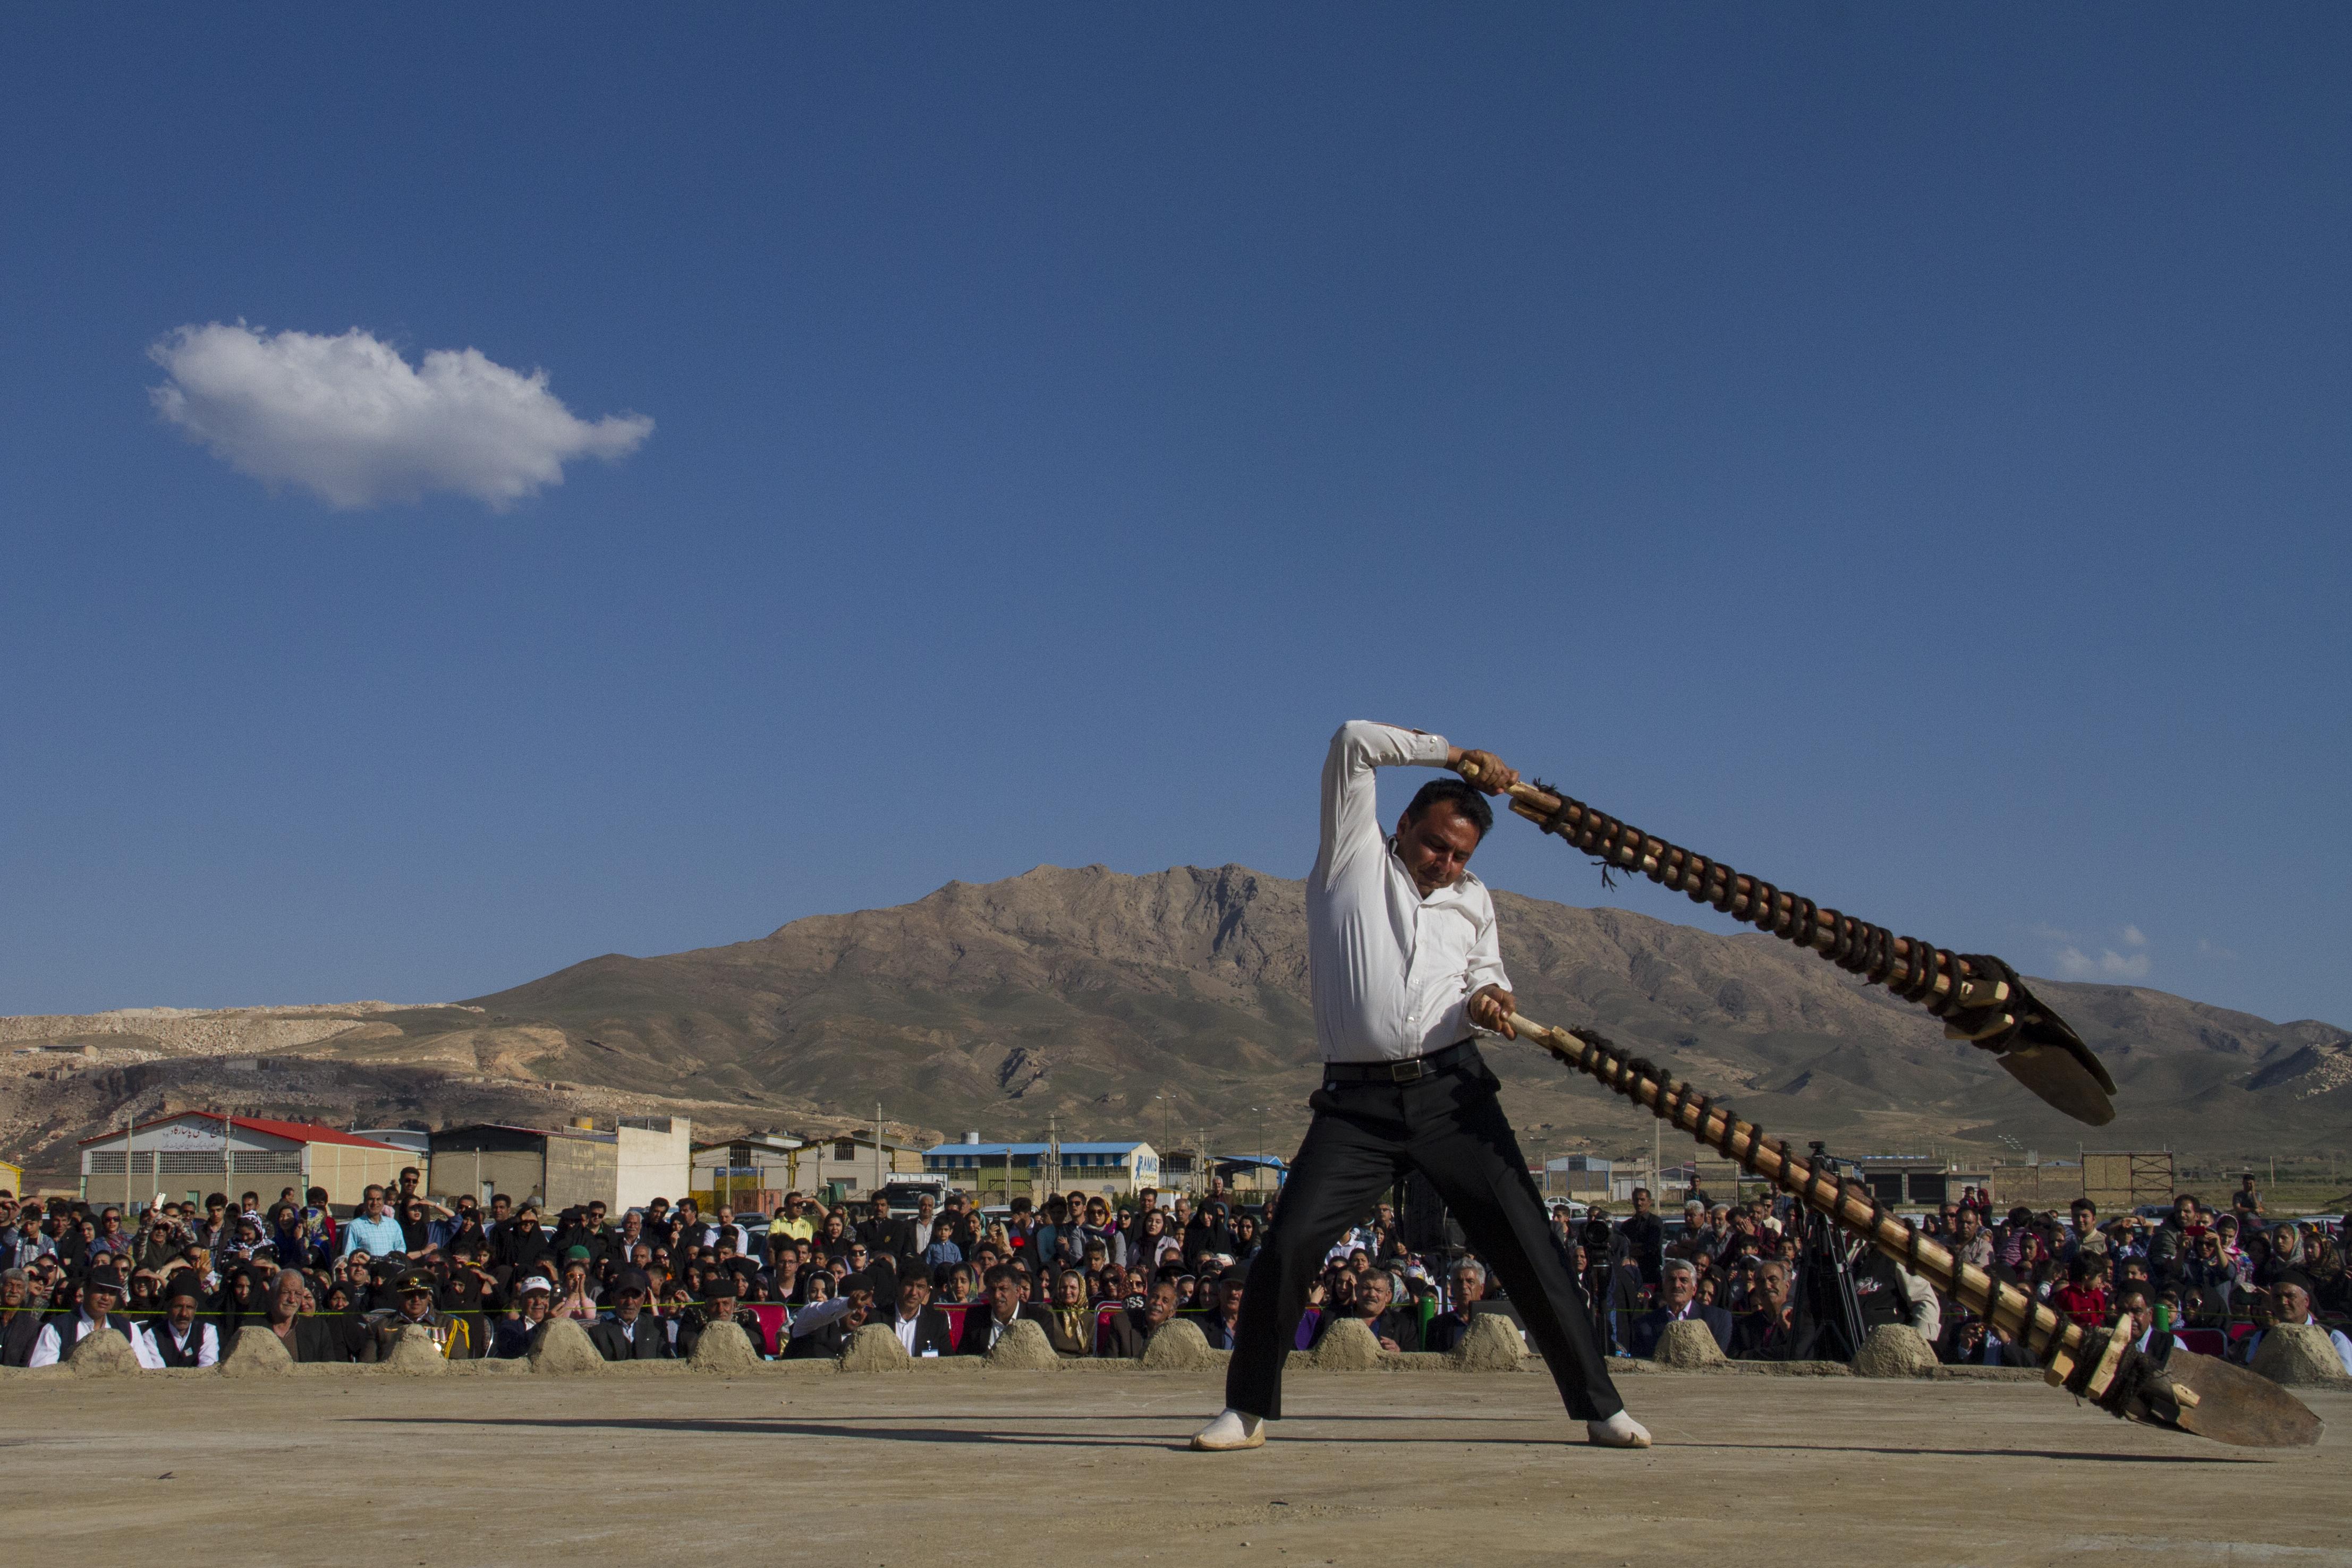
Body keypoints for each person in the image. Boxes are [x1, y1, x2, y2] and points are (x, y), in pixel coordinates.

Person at [1194, 724, 1641, 1453]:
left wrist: (1488, 999)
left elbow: (1478, 979)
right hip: (1355, 1106)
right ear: (1402, 825)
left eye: (1459, 854)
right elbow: (1351, 742)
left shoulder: (1473, 900)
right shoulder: (1352, 859)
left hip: (1451, 1094)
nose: (1445, 861)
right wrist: (1455, 756)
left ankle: (1600, 1407)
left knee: (1530, 1245)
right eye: (1435, 844)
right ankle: (1244, 1412)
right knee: (1291, 1242)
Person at [28, 1272, 162, 1368]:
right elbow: (43, 1374)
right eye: (101, 1290)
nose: (106, 1297)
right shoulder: (57, 1328)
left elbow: (145, 1371)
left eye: (112, 1293)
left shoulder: (129, 1329)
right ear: (86, 1290)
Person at [2239, 1274, 2352, 1377]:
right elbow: (2252, 1377)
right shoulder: (2261, 1338)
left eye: (2290, 1296)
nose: (2283, 1302)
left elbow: (2346, 1381)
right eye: (2277, 1297)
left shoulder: (2334, 1338)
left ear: (2306, 1300)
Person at [1626, 1258, 1734, 1358]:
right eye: (1672, 1279)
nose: (1677, 1285)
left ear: (1694, 1289)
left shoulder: (1718, 1319)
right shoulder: (1644, 1325)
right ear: (1664, 1286)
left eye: (1684, 1280)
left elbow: (1718, 1361)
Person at [361, 1271, 471, 1361]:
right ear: (400, 1296)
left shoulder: (449, 1325)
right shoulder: (379, 1327)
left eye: (422, 1294)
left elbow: (458, 1367)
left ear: (429, 1296)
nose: (416, 1299)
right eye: (410, 1294)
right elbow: (368, 1368)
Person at [1727, 1261, 1818, 1362]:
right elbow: (1733, 1356)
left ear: (1787, 1285)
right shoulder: (1745, 1325)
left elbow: (1795, 1353)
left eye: (1773, 1280)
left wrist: (1748, 1355)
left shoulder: (1802, 1321)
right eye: (1760, 1281)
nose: (1767, 1286)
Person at [956, 1263, 1051, 1355]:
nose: (997, 1296)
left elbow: (1048, 1361)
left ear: (1017, 1291)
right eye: (992, 1289)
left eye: (1003, 1289)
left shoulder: (1040, 1319)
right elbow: (963, 1357)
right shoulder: (975, 1316)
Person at [262, 1269, 349, 1362]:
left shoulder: (318, 1329)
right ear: (272, 1293)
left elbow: (328, 1370)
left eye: (298, 1294)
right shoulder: (252, 1326)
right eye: (286, 1292)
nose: (292, 1299)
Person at [588, 1269, 670, 1360]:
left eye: (635, 1296)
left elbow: (665, 1365)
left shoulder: (657, 1327)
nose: (630, 1302)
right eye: (624, 1295)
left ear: (643, 1300)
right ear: (613, 1298)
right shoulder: (598, 1333)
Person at [147, 1275, 220, 1367]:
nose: (184, 1314)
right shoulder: (152, 1335)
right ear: (168, 1308)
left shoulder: (207, 1331)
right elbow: (157, 1373)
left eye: (189, 1308)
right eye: (178, 1307)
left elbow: (207, 1368)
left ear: (196, 1309)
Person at [1102, 1276, 1182, 1358]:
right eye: (1154, 1297)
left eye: (1165, 1301)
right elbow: (1108, 1365)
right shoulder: (1121, 1323)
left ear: (1172, 1312)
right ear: (1147, 1299)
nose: (1157, 1303)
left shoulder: (1177, 1335)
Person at [887, 1272, 955, 1358]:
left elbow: (949, 1360)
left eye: (920, 1287)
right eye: (909, 1285)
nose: (914, 1293)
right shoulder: (877, 1317)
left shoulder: (938, 1322)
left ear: (927, 1291)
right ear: (899, 1285)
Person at [340, 1187, 406, 1259]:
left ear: (383, 1201)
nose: (375, 1203)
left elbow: (401, 1248)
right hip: (366, 1269)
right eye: (371, 1199)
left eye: (378, 1199)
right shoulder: (354, 1226)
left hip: (390, 1269)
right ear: (365, 1201)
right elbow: (348, 1256)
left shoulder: (393, 1225)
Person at [1, 1267, 46, 1367]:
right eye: (9, 1285)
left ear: (25, 1292)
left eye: (19, 1286)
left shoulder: (33, 1327)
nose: (14, 1291)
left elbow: (25, 1364)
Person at [1200, 1266, 1247, 1350]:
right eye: (1228, 1286)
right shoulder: (1202, 1324)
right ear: (1219, 1290)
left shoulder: (1257, 1324)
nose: (1233, 1292)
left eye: (1239, 1287)